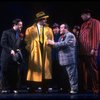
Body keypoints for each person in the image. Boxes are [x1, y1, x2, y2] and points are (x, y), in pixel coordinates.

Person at [25, 11, 54, 93]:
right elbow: (27, 41)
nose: (46, 20)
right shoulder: (29, 29)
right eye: (44, 19)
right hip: (35, 51)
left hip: (46, 50)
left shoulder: (49, 29)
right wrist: (30, 48)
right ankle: (33, 88)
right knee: (35, 69)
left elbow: (52, 40)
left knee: (45, 69)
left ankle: (45, 88)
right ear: (39, 20)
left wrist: (50, 47)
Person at [48, 23, 78, 94]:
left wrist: (53, 43)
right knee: (66, 76)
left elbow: (65, 44)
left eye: (61, 28)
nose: (59, 29)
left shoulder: (70, 35)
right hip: (63, 60)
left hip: (70, 59)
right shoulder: (61, 37)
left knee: (72, 75)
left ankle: (74, 89)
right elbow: (57, 46)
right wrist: (50, 44)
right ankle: (67, 88)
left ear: (66, 29)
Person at [79, 9, 100, 93]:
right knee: (83, 71)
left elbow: (96, 35)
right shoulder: (83, 24)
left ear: (88, 14)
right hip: (82, 52)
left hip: (90, 51)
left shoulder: (95, 22)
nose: (81, 16)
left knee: (93, 70)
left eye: (82, 15)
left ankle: (96, 88)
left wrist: (94, 48)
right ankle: (85, 88)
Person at [0, 18, 23, 93]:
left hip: (14, 57)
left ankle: (13, 88)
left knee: (14, 73)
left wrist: (19, 49)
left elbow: (19, 44)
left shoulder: (20, 34)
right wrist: (10, 50)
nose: (21, 27)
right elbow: (3, 43)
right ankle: (3, 88)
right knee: (5, 72)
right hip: (6, 56)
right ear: (15, 24)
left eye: (21, 25)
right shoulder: (6, 32)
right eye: (19, 25)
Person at [51, 23, 62, 92]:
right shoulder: (51, 36)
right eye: (54, 28)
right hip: (52, 57)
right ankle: (53, 86)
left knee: (59, 72)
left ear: (59, 29)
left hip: (59, 57)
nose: (55, 29)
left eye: (56, 28)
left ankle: (60, 86)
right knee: (53, 72)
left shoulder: (61, 36)